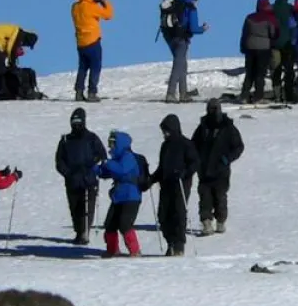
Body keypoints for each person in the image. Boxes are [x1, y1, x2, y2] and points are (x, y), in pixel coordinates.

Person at [191, 98, 245, 235]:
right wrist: (196, 160)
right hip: (204, 170)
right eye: (210, 109)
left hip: (221, 170)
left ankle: (221, 220)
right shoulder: (202, 127)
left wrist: (227, 159)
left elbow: (238, 146)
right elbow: (193, 145)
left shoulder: (228, 127)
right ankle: (206, 222)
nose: (213, 112)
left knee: (220, 197)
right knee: (204, 197)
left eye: (215, 109)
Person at [54, 107, 107, 245]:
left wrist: (93, 165)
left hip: (89, 179)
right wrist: (68, 173)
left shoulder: (92, 138)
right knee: (75, 207)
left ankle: (85, 232)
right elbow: (59, 161)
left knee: (88, 207)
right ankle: (78, 232)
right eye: (74, 122)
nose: (76, 125)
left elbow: (102, 154)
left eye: (79, 122)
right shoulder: (65, 140)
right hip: (72, 180)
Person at [148, 114, 198, 256]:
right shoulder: (165, 146)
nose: (165, 133)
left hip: (181, 184)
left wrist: (185, 172)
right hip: (166, 184)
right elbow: (162, 168)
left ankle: (179, 245)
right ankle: (170, 242)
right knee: (163, 215)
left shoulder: (186, 144)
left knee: (178, 213)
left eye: (167, 130)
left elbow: (194, 163)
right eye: (164, 131)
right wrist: (151, 179)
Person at [95, 130, 143, 257]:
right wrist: (94, 168)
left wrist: (107, 163)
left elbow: (121, 170)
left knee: (125, 224)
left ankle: (135, 251)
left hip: (131, 196)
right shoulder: (115, 159)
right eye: (109, 143)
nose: (110, 146)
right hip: (118, 197)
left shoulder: (128, 157)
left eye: (112, 143)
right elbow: (106, 172)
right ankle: (112, 250)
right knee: (110, 224)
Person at [161, 0, 208, 103]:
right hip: (182, 39)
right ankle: (171, 94)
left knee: (182, 64)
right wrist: (203, 28)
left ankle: (183, 93)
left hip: (170, 38)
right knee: (178, 66)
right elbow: (193, 28)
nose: (196, 1)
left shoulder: (175, 6)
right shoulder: (190, 8)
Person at [71, 0, 114, 102]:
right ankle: (92, 92)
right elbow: (108, 15)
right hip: (93, 41)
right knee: (95, 67)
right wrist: (104, 2)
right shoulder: (91, 7)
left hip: (80, 42)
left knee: (83, 67)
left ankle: (78, 92)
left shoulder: (74, 7)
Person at [0, 23, 38, 100]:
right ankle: (1, 92)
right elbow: (11, 49)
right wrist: (12, 65)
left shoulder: (17, 32)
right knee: (0, 69)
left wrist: (10, 60)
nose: (24, 45)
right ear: (28, 39)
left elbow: (7, 48)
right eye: (28, 44)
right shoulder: (18, 33)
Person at [239, 0, 278, 103]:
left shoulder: (249, 17)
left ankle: (244, 95)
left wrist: (243, 46)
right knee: (260, 73)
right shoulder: (270, 18)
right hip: (264, 48)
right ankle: (258, 96)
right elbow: (273, 33)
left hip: (250, 47)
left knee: (250, 73)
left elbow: (244, 33)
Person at [270, 0, 296, 103]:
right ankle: (289, 94)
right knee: (288, 69)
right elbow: (294, 26)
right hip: (288, 44)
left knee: (276, 70)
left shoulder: (271, 9)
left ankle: (277, 95)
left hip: (274, 44)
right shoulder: (290, 9)